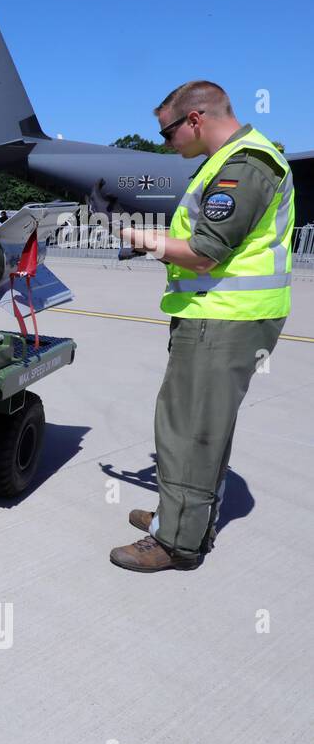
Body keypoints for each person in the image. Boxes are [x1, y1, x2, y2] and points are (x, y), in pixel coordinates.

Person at [112, 81, 294, 572]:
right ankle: (179, 518)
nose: (166, 142)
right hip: (218, 314)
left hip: (224, 318)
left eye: (168, 131)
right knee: (200, 424)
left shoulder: (245, 166)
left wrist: (142, 238)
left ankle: (177, 543)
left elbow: (204, 253)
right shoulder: (230, 161)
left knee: (189, 429)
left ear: (194, 119)